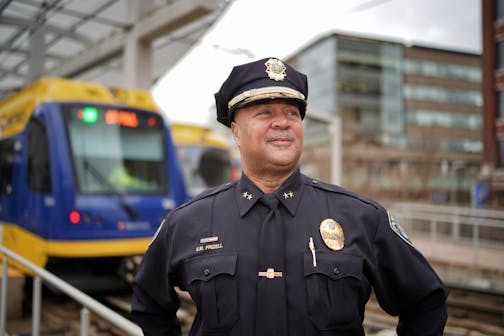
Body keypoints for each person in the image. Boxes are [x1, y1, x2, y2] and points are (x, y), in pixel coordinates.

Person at [131, 57, 448, 335]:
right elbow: (149, 302)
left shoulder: (362, 217)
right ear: (236, 133)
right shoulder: (188, 222)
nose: (282, 122)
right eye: (265, 112)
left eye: (292, 113)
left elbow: (425, 302)